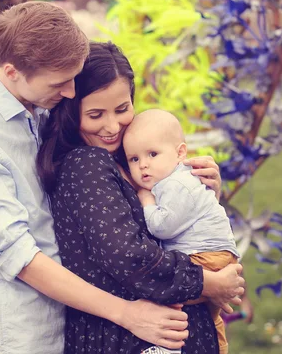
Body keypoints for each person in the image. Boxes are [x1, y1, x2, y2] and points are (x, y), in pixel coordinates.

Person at [0, 1, 240, 354]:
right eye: (61, 83)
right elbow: (21, 259)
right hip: (30, 335)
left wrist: (183, 184)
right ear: (12, 71)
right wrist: (134, 311)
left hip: (85, 322)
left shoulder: (43, 109)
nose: (69, 94)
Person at [36, 41, 245, 354]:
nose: (112, 127)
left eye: (122, 109)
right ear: (70, 112)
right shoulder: (86, 164)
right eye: (95, 115)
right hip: (126, 338)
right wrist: (206, 283)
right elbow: (129, 257)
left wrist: (201, 191)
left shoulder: (130, 160)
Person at [123, 109, 240, 354]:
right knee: (211, 317)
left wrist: (146, 200)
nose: (143, 164)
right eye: (134, 159)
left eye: (152, 154)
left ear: (180, 153)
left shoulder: (177, 184)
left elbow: (162, 227)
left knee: (165, 295)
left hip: (205, 256)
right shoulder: (172, 180)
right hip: (211, 254)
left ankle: (165, 349)